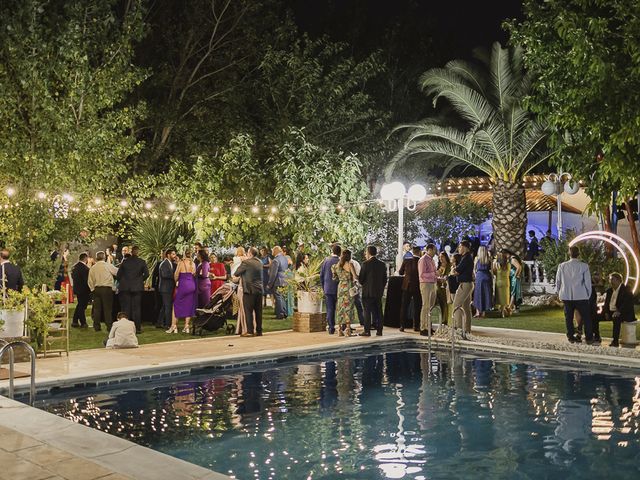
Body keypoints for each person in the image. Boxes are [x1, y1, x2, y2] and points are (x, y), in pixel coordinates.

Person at [556, 245, 593, 343]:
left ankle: (570, 336)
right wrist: (588, 295)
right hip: (581, 295)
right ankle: (589, 337)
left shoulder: (562, 266)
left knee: (568, 317)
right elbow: (587, 283)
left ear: (569, 253)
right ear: (579, 254)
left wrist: (559, 293)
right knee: (586, 317)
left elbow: (558, 282)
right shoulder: (584, 266)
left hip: (566, 295)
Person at [597, 273, 635, 347]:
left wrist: (619, 311)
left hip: (623, 313)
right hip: (610, 312)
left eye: (612, 279)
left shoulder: (626, 289)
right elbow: (606, 303)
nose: (610, 281)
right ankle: (596, 336)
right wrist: (606, 313)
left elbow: (627, 303)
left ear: (618, 280)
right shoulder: (609, 291)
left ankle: (615, 341)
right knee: (595, 316)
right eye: (610, 279)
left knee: (616, 318)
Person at [116, 246, 149, 334]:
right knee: (136, 308)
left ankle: (126, 327)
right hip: (137, 287)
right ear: (138, 252)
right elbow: (147, 274)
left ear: (131, 252)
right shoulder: (142, 262)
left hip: (125, 287)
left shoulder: (125, 262)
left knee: (126, 308)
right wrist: (139, 280)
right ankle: (137, 328)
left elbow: (118, 275)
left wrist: (123, 281)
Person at [233, 247, 264, 337]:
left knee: (248, 311)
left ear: (250, 253)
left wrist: (243, 261)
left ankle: (250, 331)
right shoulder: (260, 262)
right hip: (259, 289)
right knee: (258, 311)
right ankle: (259, 331)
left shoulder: (246, 262)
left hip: (249, 290)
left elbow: (236, 273)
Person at [358, 245, 387, 336]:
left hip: (367, 292)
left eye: (366, 252)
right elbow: (384, 279)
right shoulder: (382, 264)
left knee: (367, 311)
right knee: (378, 311)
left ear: (369, 252)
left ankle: (367, 331)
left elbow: (361, 279)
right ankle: (379, 330)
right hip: (378, 292)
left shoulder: (365, 264)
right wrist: (381, 288)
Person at [167, 248, 197, 334]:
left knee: (176, 305)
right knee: (189, 305)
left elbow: (176, 274)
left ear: (184, 254)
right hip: (191, 284)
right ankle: (186, 326)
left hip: (183, 284)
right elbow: (194, 274)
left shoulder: (181, 263)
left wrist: (176, 281)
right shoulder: (193, 264)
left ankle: (174, 326)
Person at [88, 251, 118, 332]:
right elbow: (117, 272)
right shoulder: (108, 266)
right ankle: (109, 326)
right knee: (107, 308)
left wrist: (92, 289)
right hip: (107, 289)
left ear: (96, 258)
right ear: (104, 257)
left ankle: (96, 326)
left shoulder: (93, 268)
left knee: (97, 309)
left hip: (97, 289)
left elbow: (90, 281)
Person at [332, 249, 357, 337]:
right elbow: (355, 277)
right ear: (349, 256)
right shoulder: (350, 264)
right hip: (348, 287)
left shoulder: (336, 265)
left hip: (340, 287)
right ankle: (348, 330)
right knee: (348, 308)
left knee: (340, 307)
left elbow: (334, 278)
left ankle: (339, 330)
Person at [452, 240, 473, 334]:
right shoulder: (467, 257)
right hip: (468, 283)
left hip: (465, 284)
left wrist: (454, 270)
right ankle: (467, 329)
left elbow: (457, 271)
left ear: (465, 247)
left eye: (460, 247)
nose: (459, 249)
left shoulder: (466, 258)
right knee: (466, 308)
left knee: (456, 305)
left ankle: (459, 328)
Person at [399, 246, 422, 332]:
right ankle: (416, 326)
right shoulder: (420, 261)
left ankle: (402, 325)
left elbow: (401, 272)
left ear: (412, 252)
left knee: (404, 306)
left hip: (407, 285)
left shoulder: (406, 260)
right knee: (417, 306)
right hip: (417, 286)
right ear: (419, 252)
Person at [320, 244, 341, 334]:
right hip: (339, 288)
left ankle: (331, 328)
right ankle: (342, 327)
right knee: (340, 308)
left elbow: (321, 275)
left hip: (328, 288)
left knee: (330, 309)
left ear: (332, 251)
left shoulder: (326, 261)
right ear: (340, 252)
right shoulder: (341, 261)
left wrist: (323, 286)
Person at [418, 243, 438, 336]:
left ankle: (428, 326)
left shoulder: (432, 260)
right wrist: (433, 274)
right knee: (425, 305)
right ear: (429, 250)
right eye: (434, 250)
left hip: (433, 283)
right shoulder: (423, 260)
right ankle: (423, 327)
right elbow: (422, 274)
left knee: (430, 306)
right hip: (425, 284)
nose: (435, 252)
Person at [156, 249, 177, 329]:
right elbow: (165, 275)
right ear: (168, 255)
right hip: (165, 288)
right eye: (173, 254)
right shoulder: (164, 264)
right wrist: (175, 276)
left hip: (168, 288)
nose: (174, 256)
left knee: (165, 306)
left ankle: (159, 322)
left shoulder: (170, 263)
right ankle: (168, 324)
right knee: (168, 306)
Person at [268, 246, 289, 319]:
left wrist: (270, 284)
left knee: (278, 297)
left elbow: (273, 274)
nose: (272, 252)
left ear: (276, 251)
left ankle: (280, 314)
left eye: (273, 250)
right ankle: (284, 312)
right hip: (285, 280)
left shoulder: (275, 260)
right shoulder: (285, 258)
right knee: (282, 297)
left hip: (278, 281)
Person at [70, 253, 91, 328]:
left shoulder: (74, 267)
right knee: (82, 306)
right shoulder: (85, 268)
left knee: (80, 305)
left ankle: (75, 321)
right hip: (84, 290)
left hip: (77, 288)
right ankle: (83, 322)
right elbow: (87, 280)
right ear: (85, 258)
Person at [473, 246, 493, 318]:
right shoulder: (489, 259)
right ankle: (484, 312)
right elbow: (491, 270)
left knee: (478, 294)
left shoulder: (477, 258)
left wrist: (475, 275)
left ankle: (478, 312)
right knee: (486, 294)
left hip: (479, 276)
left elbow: (474, 269)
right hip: (487, 276)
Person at [492, 251, 511, 317]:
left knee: (499, 298)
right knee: (505, 298)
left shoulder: (497, 264)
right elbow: (509, 273)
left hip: (499, 282)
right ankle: (503, 310)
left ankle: (501, 310)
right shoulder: (508, 264)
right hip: (506, 282)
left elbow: (494, 272)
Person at [435, 252, 451, 326]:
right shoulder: (439, 266)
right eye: (439, 257)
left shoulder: (449, 265)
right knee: (441, 303)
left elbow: (449, 275)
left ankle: (446, 320)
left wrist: (444, 277)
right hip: (439, 286)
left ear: (445, 257)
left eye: (442, 257)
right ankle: (442, 319)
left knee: (445, 303)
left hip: (446, 286)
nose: (441, 258)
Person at [350, 255, 365, 325]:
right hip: (353, 286)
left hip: (351, 286)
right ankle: (362, 321)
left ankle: (346, 324)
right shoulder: (355, 263)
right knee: (358, 304)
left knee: (357, 303)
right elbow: (358, 275)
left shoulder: (353, 263)